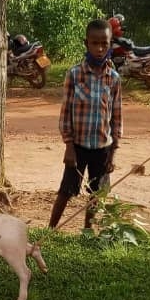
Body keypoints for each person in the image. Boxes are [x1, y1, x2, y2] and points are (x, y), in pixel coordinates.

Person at [48, 19, 123, 231]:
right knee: (66, 190)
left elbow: (117, 116)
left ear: (110, 44)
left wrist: (113, 152)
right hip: (78, 147)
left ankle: (88, 231)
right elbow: (65, 113)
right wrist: (69, 146)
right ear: (86, 43)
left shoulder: (114, 78)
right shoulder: (74, 75)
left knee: (96, 193)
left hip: (102, 147)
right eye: (94, 43)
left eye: (104, 44)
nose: (99, 49)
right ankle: (50, 230)